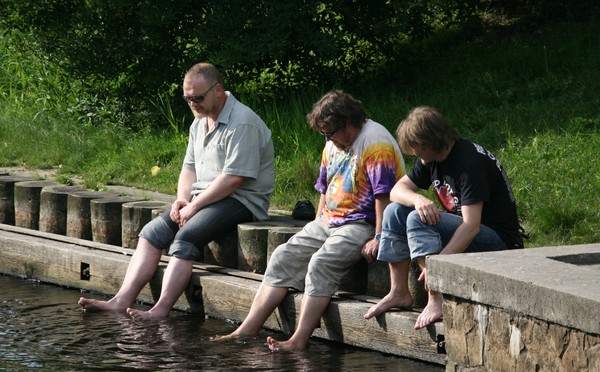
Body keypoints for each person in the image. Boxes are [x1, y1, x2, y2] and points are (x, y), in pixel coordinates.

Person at [78, 62, 275, 319]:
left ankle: (160, 310)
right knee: (151, 233)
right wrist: (182, 199)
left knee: (186, 238)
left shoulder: (243, 123)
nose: (192, 103)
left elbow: (233, 179)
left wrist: (194, 206)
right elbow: (188, 168)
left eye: (198, 97)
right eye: (187, 98)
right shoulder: (200, 121)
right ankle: (121, 299)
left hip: (242, 200)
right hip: (204, 198)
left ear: (218, 90)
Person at [220, 89, 405, 351]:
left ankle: (298, 340)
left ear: (349, 122)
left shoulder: (376, 143)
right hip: (329, 220)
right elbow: (325, 188)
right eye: (324, 134)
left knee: (321, 262)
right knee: (282, 255)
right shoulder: (332, 142)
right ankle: (247, 328)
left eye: (331, 132)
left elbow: (384, 197)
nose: (328, 139)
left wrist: (379, 236)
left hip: (361, 223)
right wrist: (316, 224)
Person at [364, 106, 524, 330]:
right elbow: (396, 191)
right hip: (465, 229)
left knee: (416, 220)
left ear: (429, 142)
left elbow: (471, 226)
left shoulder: (470, 163)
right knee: (394, 211)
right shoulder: (431, 159)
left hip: (497, 240)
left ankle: (435, 299)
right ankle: (399, 292)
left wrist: (436, 267)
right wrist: (418, 199)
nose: (413, 153)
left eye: (415, 147)